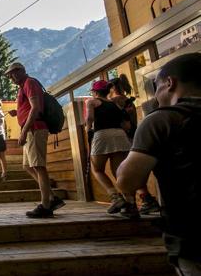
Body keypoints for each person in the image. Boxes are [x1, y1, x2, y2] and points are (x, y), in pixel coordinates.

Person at [117, 53, 201, 275]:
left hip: (192, 238)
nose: (156, 95)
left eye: (157, 87)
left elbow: (127, 181)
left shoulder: (162, 120)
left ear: (170, 83)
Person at [5, 62, 65, 218]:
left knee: (38, 166)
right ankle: (52, 197)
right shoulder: (24, 85)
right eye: (9, 75)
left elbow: (36, 107)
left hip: (35, 129)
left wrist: (24, 131)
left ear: (22, 71)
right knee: (28, 165)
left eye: (13, 73)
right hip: (32, 129)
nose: (11, 77)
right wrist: (17, 111)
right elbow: (30, 106)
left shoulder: (29, 82)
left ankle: (46, 205)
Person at [85, 79, 138, 218]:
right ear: (108, 91)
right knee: (119, 172)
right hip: (120, 135)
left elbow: (89, 118)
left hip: (102, 134)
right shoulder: (116, 104)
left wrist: (88, 129)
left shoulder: (92, 102)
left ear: (95, 92)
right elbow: (126, 125)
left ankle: (115, 197)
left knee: (97, 169)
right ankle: (131, 205)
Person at [109, 74, 160, 215]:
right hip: (133, 137)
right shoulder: (128, 101)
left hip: (122, 139)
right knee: (134, 172)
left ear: (112, 88)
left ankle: (133, 203)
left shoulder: (114, 101)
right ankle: (146, 199)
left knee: (124, 172)